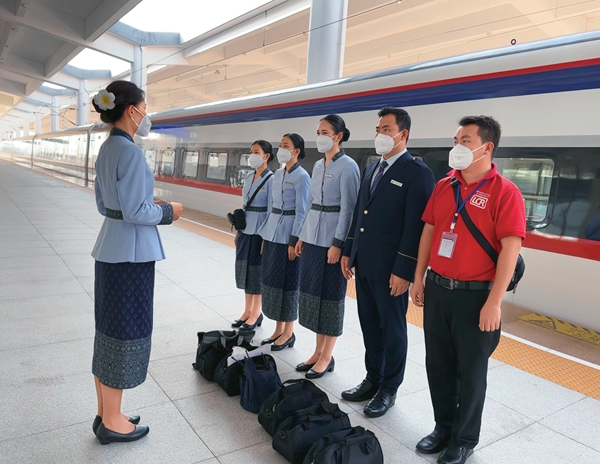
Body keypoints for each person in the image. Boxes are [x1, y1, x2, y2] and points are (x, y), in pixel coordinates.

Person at [410, 116, 525, 464]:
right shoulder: (445, 186)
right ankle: (443, 427)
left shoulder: (506, 192)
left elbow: (511, 249)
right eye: (456, 138)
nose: (457, 146)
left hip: (477, 297)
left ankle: (464, 439)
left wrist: (495, 302)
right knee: (438, 365)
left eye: (466, 140)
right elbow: (429, 232)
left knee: (471, 373)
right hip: (439, 289)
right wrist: (419, 277)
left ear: (486, 147)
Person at [90, 80, 183, 444]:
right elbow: (136, 210)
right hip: (131, 257)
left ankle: (104, 412)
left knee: (109, 332)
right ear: (132, 111)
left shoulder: (107, 148)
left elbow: (105, 206)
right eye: (145, 108)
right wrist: (167, 211)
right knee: (125, 334)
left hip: (110, 249)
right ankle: (113, 421)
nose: (146, 116)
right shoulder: (128, 152)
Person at [340, 107, 435, 418]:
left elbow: (416, 227)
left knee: (392, 329)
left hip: (391, 270)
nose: (380, 134)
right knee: (370, 326)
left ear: (402, 134)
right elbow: (359, 215)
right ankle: (372, 379)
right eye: (378, 128)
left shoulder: (417, 173)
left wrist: (404, 270)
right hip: (365, 264)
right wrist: (348, 252)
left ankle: (389, 388)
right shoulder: (371, 168)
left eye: (385, 128)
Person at [295, 114, 360, 379]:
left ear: (338, 136)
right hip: (311, 240)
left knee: (330, 298)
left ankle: (327, 356)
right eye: (318, 131)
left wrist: (338, 244)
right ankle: (317, 351)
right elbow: (310, 204)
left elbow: (349, 209)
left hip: (331, 243)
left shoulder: (349, 167)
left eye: (325, 132)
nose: (320, 136)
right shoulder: (319, 166)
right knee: (313, 296)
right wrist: (301, 235)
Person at [258, 134, 310, 350]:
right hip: (271, 235)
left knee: (288, 285)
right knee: (274, 284)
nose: (282, 149)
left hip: (287, 237)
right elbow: (271, 207)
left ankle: (288, 333)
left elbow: (302, 212)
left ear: (296, 151)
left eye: (286, 146)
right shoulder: (277, 174)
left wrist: (294, 240)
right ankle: (278, 330)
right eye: (280, 146)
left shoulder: (302, 177)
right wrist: (264, 236)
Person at [232, 140, 274, 331]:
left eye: (256, 152)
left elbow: (272, 210)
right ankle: (247, 310)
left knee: (256, 273)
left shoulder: (272, 179)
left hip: (260, 232)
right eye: (251, 151)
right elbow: (245, 204)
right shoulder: (249, 176)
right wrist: (239, 230)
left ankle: (256, 313)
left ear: (266, 156)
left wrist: (266, 237)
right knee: (245, 272)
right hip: (245, 230)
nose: (252, 155)